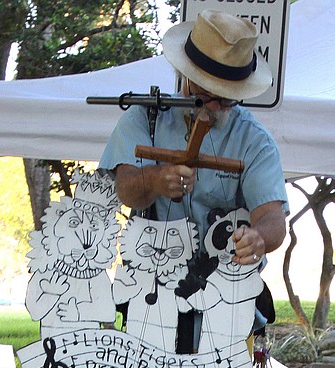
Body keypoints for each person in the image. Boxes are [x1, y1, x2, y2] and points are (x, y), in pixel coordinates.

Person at [99, 10, 287, 279]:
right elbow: (126, 189)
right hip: (153, 282)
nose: (213, 106)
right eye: (204, 93)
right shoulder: (145, 117)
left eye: (225, 98)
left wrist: (258, 238)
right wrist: (156, 179)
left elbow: (273, 217)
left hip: (226, 285)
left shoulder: (255, 140)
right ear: (185, 74)